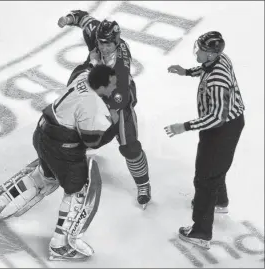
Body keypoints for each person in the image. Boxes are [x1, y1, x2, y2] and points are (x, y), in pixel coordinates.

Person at [0, 64, 120, 261]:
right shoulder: (92, 105)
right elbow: (91, 141)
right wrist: (113, 124)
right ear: (101, 86)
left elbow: (82, 69)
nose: (114, 87)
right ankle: (60, 245)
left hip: (42, 135)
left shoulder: (83, 78)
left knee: (45, 177)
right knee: (78, 189)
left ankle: (0, 205)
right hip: (61, 148)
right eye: (112, 84)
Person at [58, 10, 151, 209]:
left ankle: (143, 184)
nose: (103, 47)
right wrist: (67, 19)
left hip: (117, 98)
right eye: (100, 42)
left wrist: (106, 114)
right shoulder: (98, 35)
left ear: (117, 42)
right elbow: (83, 18)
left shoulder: (120, 65)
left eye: (107, 44)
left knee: (129, 145)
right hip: (97, 85)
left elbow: (121, 98)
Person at [165, 31, 245, 249]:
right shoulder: (220, 58)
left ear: (211, 54)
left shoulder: (218, 81)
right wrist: (186, 72)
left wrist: (185, 126)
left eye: (200, 50)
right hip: (226, 125)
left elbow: (217, 118)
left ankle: (200, 231)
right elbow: (205, 68)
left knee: (205, 178)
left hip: (221, 128)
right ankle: (219, 201)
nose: (196, 52)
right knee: (216, 167)